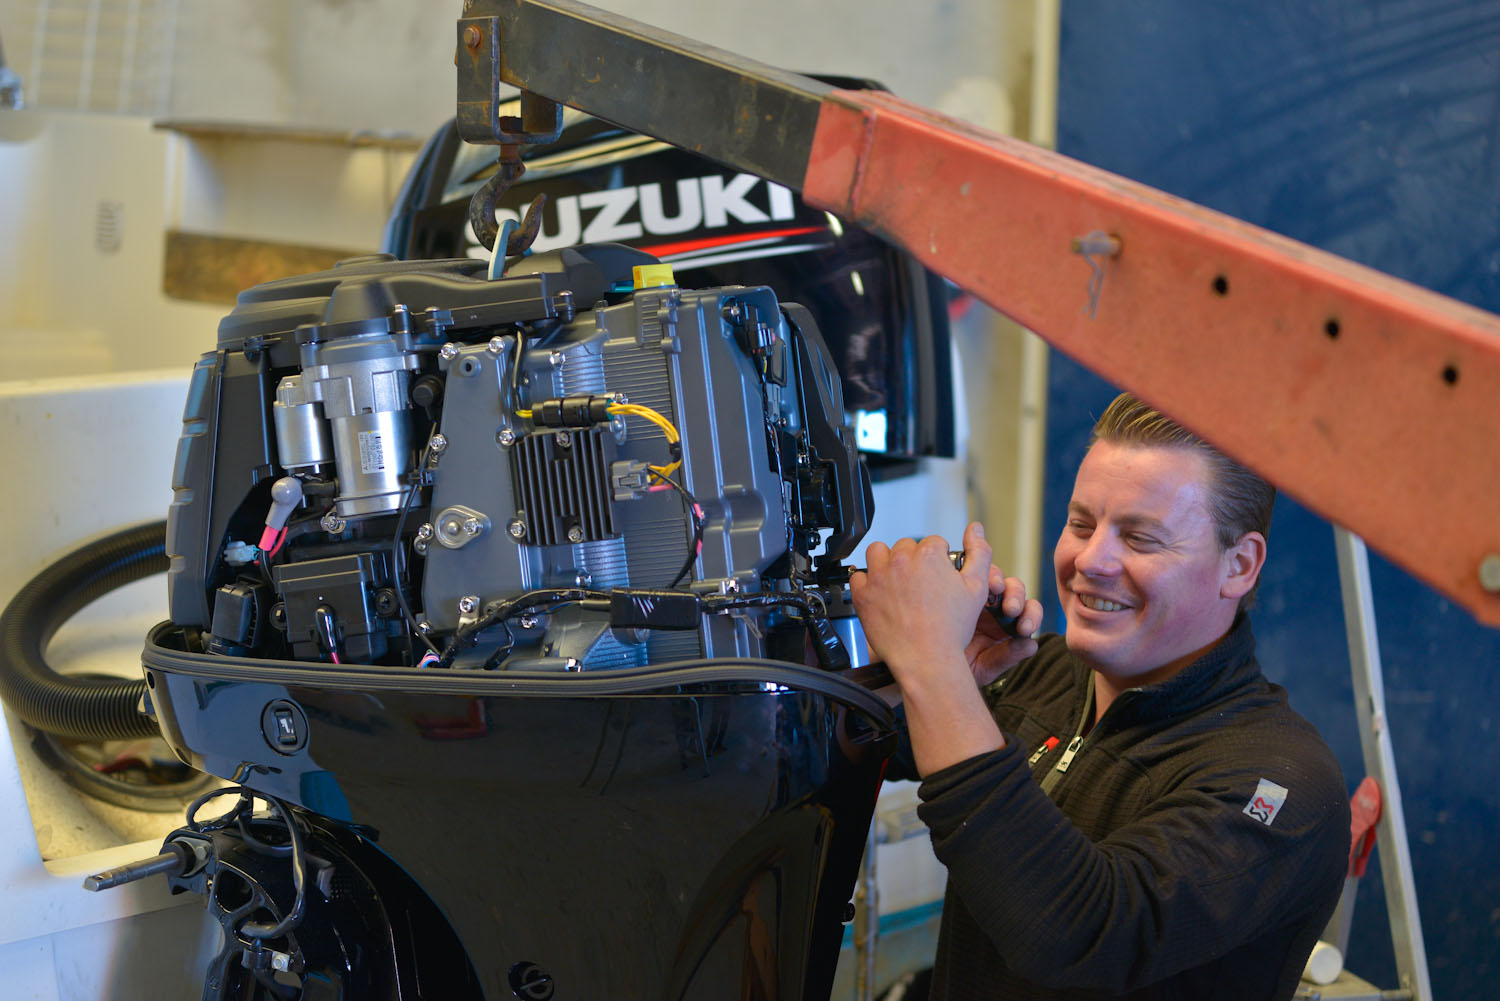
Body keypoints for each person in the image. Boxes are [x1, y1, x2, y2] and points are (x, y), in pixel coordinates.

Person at [850, 392, 1349, 1001]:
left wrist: (934, 672)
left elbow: (1080, 933)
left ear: (1239, 565)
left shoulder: (1282, 783)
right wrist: (908, 674)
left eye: (1140, 539)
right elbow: (829, 745)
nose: (1090, 559)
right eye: (1082, 524)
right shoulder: (1040, 672)